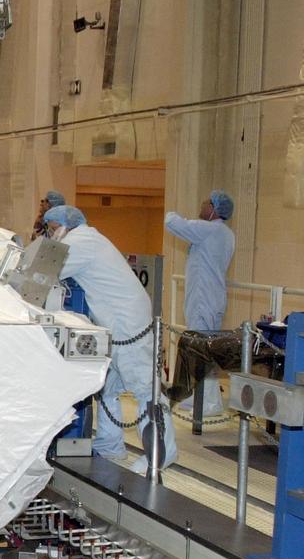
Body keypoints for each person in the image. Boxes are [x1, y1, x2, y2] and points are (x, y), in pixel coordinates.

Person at [44, 204, 177, 473]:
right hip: (115, 324)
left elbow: (46, 271)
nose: (51, 233)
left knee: (144, 389)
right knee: (108, 388)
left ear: (65, 225)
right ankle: (109, 445)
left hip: (129, 325)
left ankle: (160, 455)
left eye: (53, 228)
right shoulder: (85, 239)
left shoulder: (81, 242)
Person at [165, 190, 235, 332]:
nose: (202, 205)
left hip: (202, 298)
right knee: (210, 344)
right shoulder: (228, 234)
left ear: (213, 208)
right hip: (216, 299)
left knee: (198, 344)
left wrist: (171, 210)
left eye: (206, 202)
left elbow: (171, 222)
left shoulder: (207, 229)